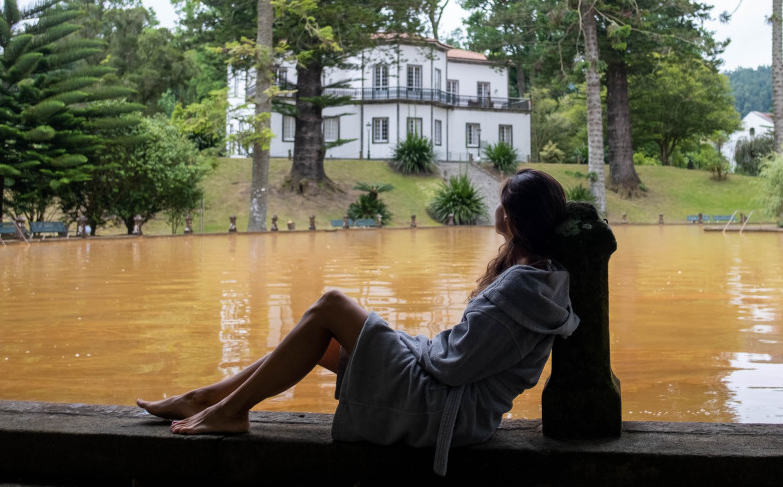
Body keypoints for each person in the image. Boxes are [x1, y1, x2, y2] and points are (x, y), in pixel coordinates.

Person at [137, 168, 579, 474]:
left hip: (448, 409)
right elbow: (457, 354)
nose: (495, 210)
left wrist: (404, 343)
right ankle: (208, 400)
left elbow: (452, 365)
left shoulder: (525, 286)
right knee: (321, 338)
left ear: (516, 221)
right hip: (449, 396)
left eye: (502, 204)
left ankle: (226, 410)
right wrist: (404, 341)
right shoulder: (524, 275)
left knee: (331, 305)